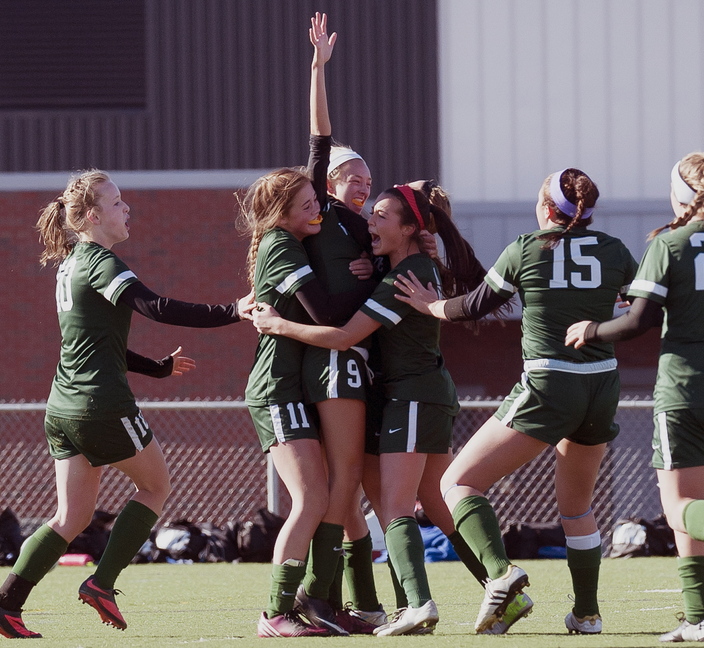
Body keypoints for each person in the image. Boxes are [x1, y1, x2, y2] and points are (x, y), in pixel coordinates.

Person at [0, 170, 254, 640]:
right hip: (101, 405)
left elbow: (94, 340)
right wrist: (232, 312)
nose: (127, 209)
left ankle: (6, 604)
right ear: (94, 216)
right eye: (117, 203)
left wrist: (155, 368)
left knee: (71, 517)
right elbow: (155, 307)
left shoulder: (72, 262)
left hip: (62, 407)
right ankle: (102, 582)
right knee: (156, 487)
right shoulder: (101, 262)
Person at [394, 168, 637, 635]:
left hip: (550, 383)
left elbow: (474, 307)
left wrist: (427, 304)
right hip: (602, 384)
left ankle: (502, 575)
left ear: (547, 208)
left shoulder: (526, 248)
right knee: (577, 509)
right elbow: (639, 302)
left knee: (457, 483)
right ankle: (586, 614)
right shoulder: (612, 249)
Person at [253, 184, 486, 635]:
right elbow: (330, 319)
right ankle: (320, 602)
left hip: (399, 389)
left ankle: (382, 599)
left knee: (391, 498)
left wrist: (412, 241)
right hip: (348, 379)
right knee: (364, 496)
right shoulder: (303, 237)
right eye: (350, 180)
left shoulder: (390, 258)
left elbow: (342, 329)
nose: (363, 198)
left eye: (381, 211)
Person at [566, 152, 704, 643]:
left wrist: (590, 328)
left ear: (678, 193)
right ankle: (699, 618)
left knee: (680, 504)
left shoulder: (669, 245)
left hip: (687, 389)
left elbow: (638, 322)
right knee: (693, 504)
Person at [237, 165, 380, 638]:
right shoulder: (281, 245)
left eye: (316, 200)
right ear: (281, 213)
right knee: (314, 497)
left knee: (334, 497)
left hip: (296, 385)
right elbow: (329, 314)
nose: (318, 208)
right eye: (307, 205)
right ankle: (275, 612)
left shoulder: (293, 242)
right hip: (276, 387)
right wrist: (378, 279)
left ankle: (322, 602)